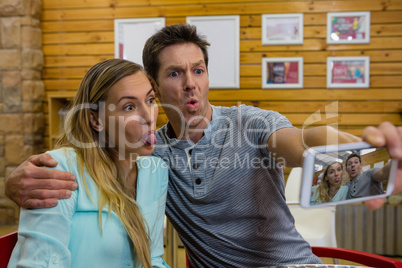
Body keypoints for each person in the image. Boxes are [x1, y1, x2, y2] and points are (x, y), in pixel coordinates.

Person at [4, 24, 402, 267]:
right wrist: (14, 181)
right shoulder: (151, 155)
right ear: (156, 88)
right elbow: (89, 161)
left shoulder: (251, 122)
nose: (191, 83)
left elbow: (303, 141)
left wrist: (365, 149)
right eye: (175, 73)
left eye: (199, 70)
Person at [7, 59, 169, 268]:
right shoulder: (59, 168)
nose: (149, 117)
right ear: (96, 120)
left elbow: (153, 258)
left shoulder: (155, 172)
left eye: (150, 100)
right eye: (129, 107)